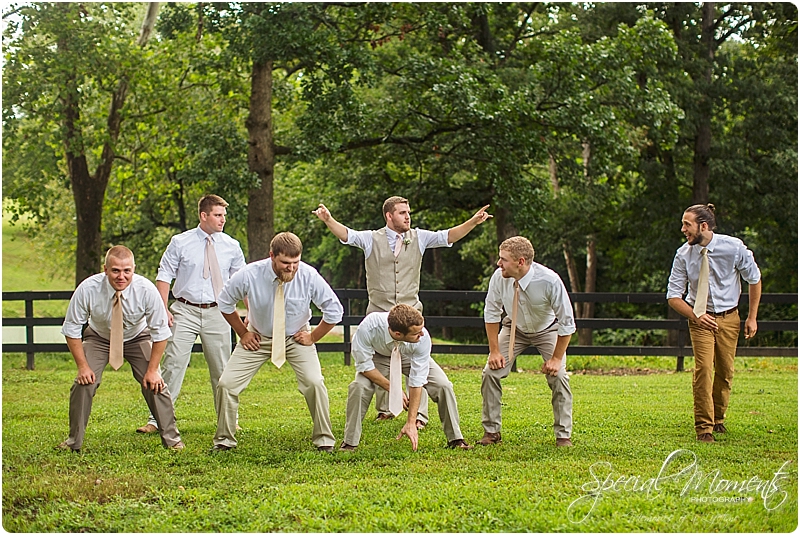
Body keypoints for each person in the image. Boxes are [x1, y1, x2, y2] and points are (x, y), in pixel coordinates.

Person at [313, 197, 492, 425]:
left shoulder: (420, 237)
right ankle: (386, 408)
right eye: (402, 212)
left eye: (408, 212)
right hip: (379, 316)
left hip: (411, 316)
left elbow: (447, 236)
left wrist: (473, 222)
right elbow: (347, 235)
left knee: (418, 362)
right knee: (381, 360)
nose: (408, 216)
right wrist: (329, 220)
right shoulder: (371, 239)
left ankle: (419, 416)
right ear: (389, 216)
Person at [211, 232, 344, 452]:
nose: (291, 268)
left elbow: (334, 310)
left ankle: (324, 440)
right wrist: (243, 333)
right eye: (285, 262)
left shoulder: (309, 275)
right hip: (258, 337)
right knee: (226, 384)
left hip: (296, 337)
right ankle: (224, 441)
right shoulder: (250, 274)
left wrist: (312, 337)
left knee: (314, 382)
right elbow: (225, 303)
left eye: (295, 262)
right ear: (272, 256)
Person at [137, 194, 246, 434]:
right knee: (173, 363)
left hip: (219, 311)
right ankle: (157, 420)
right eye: (218, 215)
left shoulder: (231, 245)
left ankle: (228, 419)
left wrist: (250, 311)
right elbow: (164, 274)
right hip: (184, 310)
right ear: (203, 215)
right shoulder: (180, 242)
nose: (222, 220)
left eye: (224, 215)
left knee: (222, 367)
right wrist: (162, 308)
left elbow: (242, 282)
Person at [58, 246, 184, 452]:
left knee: (156, 383)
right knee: (84, 384)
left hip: (137, 336)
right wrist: (82, 367)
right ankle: (73, 442)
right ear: (105, 269)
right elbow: (71, 329)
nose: (121, 276)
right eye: (115, 270)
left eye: (127, 271)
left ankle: (172, 439)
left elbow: (161, 333)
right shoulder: (88, 288)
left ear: (134, 269)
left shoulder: (146, 290)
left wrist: (152, 370)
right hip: (99, 337)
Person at [667, 204, 761, 443]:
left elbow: (755, 279)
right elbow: (673, 296)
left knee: (725, 371)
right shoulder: (683, 255)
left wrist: (752, 317)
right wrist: (696, 316)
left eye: (687, 224)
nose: (683, 229)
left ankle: (718, 418)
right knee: (704, 370)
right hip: (700, 320)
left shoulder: (733, 248)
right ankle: (704, 427)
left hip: (730, 318)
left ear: (704, 226)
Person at [479, 236, 576, 447]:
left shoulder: (549, 280)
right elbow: (491, 314)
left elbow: (567, 322)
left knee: (558, 376)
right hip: (514, 328)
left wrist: (557, 359)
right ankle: (491, 432)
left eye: (503, 259)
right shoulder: (498, 278)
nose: (498, 263)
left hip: (547, 329)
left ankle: (563, 435)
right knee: (490, 372)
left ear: (520, 262)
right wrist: (494, 351)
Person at [340, 304, 473, 452]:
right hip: (378, 358)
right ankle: (349, 442)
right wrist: (394, 389)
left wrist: (411, 422)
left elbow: (417, 380)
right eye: (416, 333)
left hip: (408, 356)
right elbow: (364, 365)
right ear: (397, 334)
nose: (422, 334)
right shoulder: (369, 327)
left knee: (443, 385)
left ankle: (455, 439)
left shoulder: (422, 337)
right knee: (358, 387)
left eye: (422, 329)